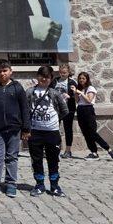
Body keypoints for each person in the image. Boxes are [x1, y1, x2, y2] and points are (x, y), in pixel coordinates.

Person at [0, 59, 30, 198]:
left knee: (12, 157)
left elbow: (24, 108)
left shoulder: (17, 87)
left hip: (14, 129)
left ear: (10, 71)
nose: (2, 74)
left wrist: (26, 128)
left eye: (4, 71)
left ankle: (11, 184)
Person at [25, 65, 69, 197]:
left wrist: (54, 122)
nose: (44, 79)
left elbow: (64, 111)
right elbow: (25, 111)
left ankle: (54, 185)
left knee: (53, 159)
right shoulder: (29, 92)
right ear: (37, 77)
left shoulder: (55, 93)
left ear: (51, 78)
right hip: (35, 132)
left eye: (47, 77)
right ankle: (39, 184)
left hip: (52, 132)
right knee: (36, 159)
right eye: (42, 76)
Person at [73, 72, 113, 161]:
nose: (81, 80)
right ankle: (94, 152)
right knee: (86, 133)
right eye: (80, 78)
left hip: (88, 110)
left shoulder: (90, 88)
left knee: (92, 133)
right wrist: (75, 93)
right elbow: (78, 101)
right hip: (80, 110)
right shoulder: (80, 88)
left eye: (83, 78)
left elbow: (89, 100)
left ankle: (109, 149)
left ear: (87, 79)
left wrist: (80, 93)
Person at [52, 63, 78, 158]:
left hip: (68, 109)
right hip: (56, 109)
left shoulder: (72, 82)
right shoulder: (55, 81)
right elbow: (49, 92)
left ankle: (68, 150)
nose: (62, 74)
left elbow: (76, 96)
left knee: (68, 130)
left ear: (68, 72)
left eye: (64, 73)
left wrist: (70, 96)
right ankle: (55, 149)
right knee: (54, 129)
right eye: (61, 72)